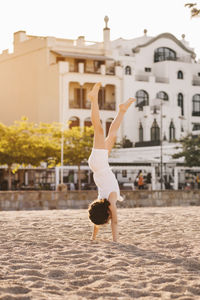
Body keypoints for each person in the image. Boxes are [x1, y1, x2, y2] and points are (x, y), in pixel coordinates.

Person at [88, 82, 135, 242]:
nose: (110, 218)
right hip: (99, 164)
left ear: (107, 212)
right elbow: (96, 220)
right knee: (112, 135)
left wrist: (116, 241)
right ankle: (122, 110)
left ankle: (93, 99)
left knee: (98, 129)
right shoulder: (101, 199)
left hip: (99, 163)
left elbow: (115, 221)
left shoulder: (111, 201)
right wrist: (93, 238)